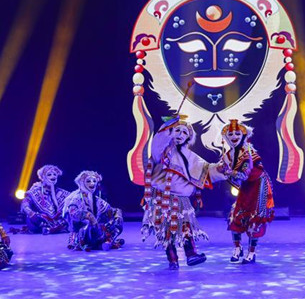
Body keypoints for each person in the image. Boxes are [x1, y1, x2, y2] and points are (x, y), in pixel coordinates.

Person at [141, 115, 229, 269]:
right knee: (166, 230)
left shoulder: (191, 157)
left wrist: (220, 169)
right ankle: (172, 260)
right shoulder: (162, 151)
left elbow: (206, 171)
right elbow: (158, 141)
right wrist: (167, 127)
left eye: (184, 132)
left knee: (186, 226)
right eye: (177, 131)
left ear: (188, 137)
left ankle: (191, 255)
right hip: (161, 197)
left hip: (181, 199)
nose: (180, 135)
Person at [221, 120, 274, 263]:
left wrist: (229, 172)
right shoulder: (228, 155)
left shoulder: (248, 152)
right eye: (230, 134)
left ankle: (251, 252)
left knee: (255, 219)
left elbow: (244, 175)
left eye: (237, 134)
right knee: (234, 216)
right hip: (245, 187)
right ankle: (237, 248)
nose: (234, 136)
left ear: (244, 136)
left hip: (258, 186)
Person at [63, 170, 124, 251]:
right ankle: (89, 243)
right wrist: (89, 216)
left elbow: (109, 210)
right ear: (82, 183)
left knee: (117, 220)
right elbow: (72, 213)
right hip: (82, 230)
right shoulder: (76, 198)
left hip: (95, 229)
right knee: (87, 224)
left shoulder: (96, 199)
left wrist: (117, 214)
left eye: (94, 181)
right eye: (88, 181)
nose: (92, 183)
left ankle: (107, 241)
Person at [19, 164, 69, 234]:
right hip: (40, 219)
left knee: (68, 215)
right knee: (32, 219)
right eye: (49, 175)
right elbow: (25, 203)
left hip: (56, 220)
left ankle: (51, 228)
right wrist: (30, 212)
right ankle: (48, 227)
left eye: (55, 174)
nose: (53, 176)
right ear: (43, 177)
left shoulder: (61, 192)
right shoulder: (35, 191)